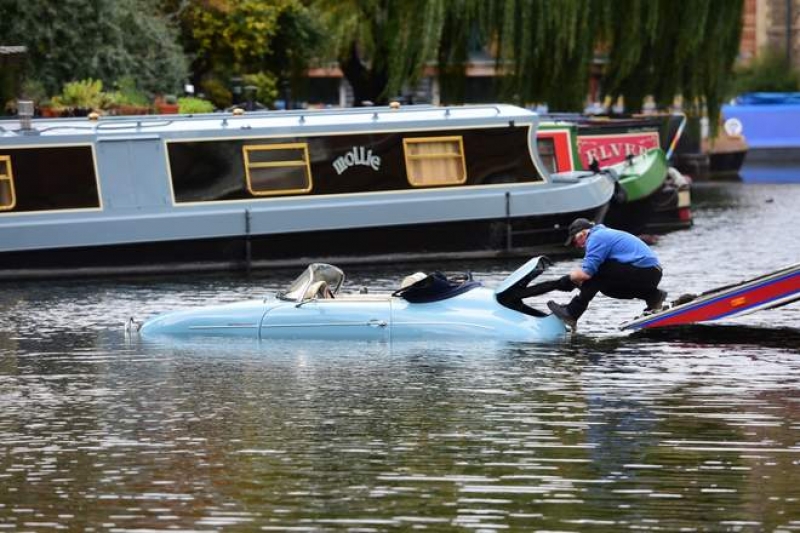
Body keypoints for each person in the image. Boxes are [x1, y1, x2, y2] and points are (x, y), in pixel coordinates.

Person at [546, 218, 666, 330]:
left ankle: (572, 312)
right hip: (651, 273)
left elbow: (586, 273)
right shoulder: (603, 234)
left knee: (597, 272)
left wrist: (568, 278)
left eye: (575, 241)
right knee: (605, 286)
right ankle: (653, 296)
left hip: (645, 271)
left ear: (582, 234)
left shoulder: (596, 237)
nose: (577, 245)